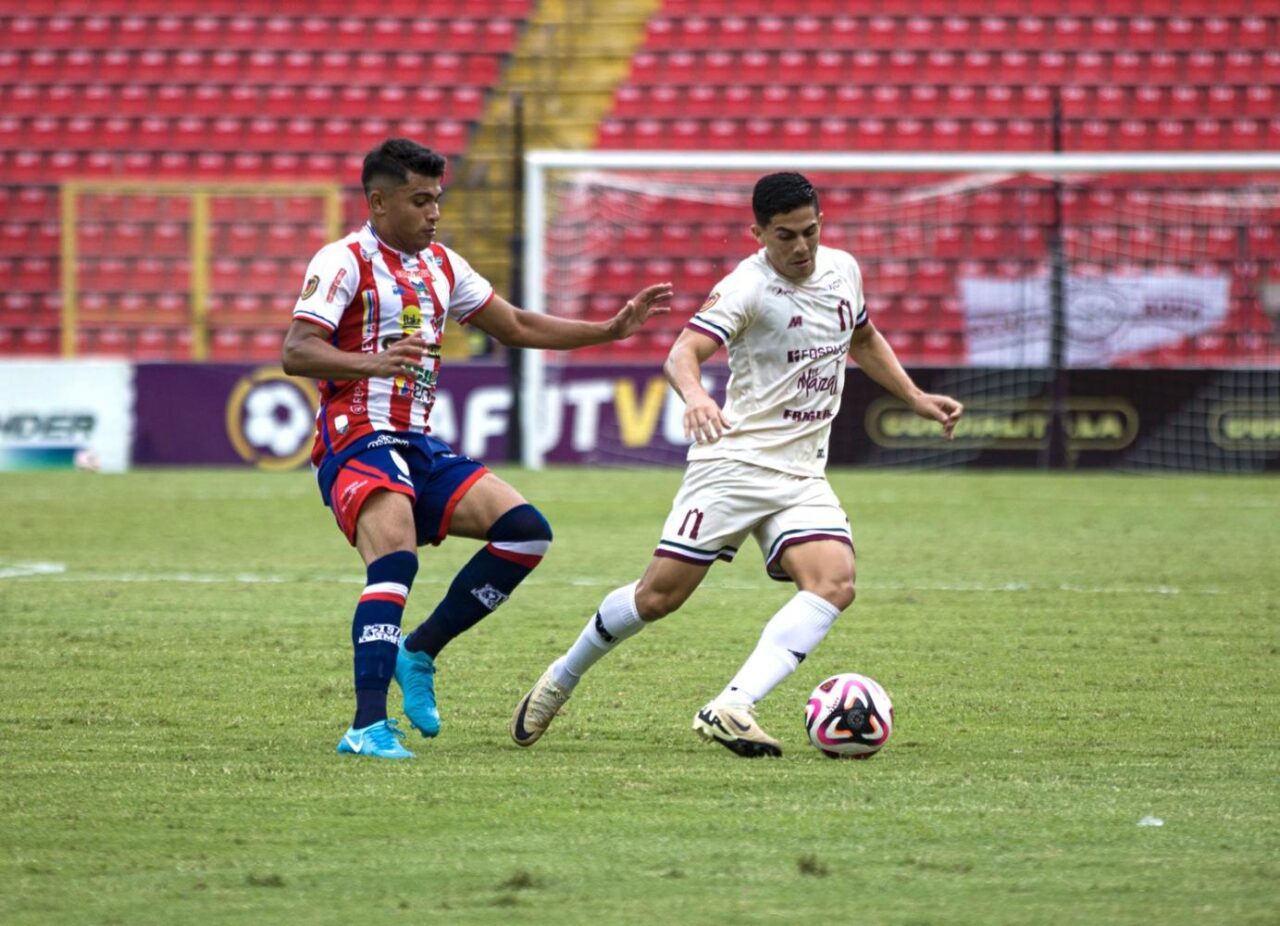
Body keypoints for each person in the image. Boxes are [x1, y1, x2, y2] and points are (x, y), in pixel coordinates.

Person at [510, 171, 963, 758]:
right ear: (758, 234)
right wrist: (697, 397)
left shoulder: (844, 269)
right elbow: (682, 354)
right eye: (784, 237)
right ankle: (561, 678)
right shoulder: (745, 287)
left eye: (809, 232)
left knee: (835, 582)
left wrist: (916, 397)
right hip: (734, 464)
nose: (800, 248)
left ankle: (732, 704)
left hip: (802, 472)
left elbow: (865, 338)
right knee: (657, 599)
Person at [282, 138, 672, 759]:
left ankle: (420, 651)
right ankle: (365, 725)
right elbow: (295, 350)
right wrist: (371, 362)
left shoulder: (442, 264)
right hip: (355, 436)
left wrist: (608, 330)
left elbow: (514, 325)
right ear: (379, 202)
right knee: (396, 562)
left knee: (525, 532)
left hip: (415, 440)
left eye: (437, 199)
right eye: (419, 200)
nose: (434, 212)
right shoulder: (344, 260)